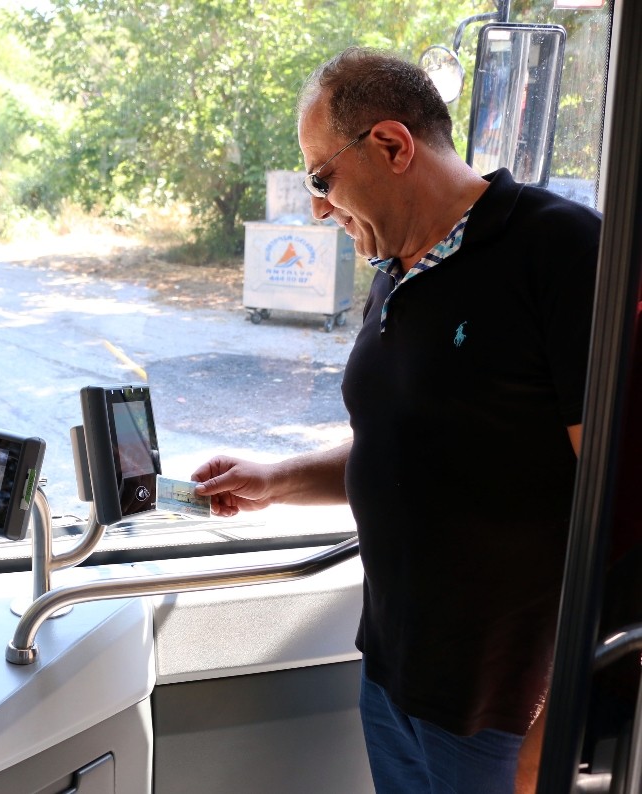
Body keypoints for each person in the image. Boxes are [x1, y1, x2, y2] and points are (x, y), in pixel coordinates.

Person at [192, 47, 601, 794]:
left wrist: (565, 718)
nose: (318, 208)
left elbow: (621, 509)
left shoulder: (564, 252)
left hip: (504, 713)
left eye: (321, 179)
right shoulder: (395, 272)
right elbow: (408, 442)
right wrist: (276, 480)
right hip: (391, 682)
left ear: (390, 145)